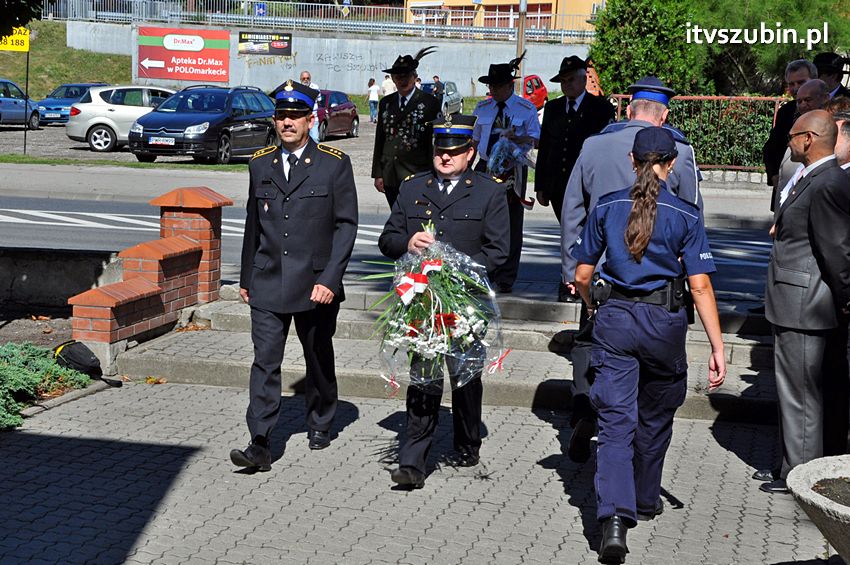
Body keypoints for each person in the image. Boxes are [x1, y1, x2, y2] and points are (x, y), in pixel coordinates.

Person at [571, 127, 726, 562]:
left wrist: (592, 307)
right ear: (671, 165)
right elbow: (700, 287)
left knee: (616, 423)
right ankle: (643, 497)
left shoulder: (606, 206)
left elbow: (582, 275)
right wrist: (717, 347)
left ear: (632, 162)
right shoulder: (686, 214)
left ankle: (614, 521)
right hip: (664, 324)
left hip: (616, 319)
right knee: (656, 415)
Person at [559, 77, 702, 465]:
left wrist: (572, 270)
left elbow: (573, 210)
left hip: (599, 270)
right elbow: (690, 212)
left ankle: (587, 409)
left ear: (627, 109)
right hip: (654, 283)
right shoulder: (680, 151)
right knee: (645, 365)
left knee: (591, 343)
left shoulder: (594, 145)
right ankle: (632, 439)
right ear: (664, 116)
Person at [231, 80, 359, 471]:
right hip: (268, 280)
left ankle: (321, 418)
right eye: (282, 116)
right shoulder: (259, 163)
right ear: (275, 120)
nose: (288, 123)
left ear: (309, 119)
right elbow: (254, 225)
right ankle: (260, 440)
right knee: (264, 361)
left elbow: (346, 226)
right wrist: (246, 278)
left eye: (295, 117)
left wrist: (331, 280)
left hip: (315, 284)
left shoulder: (333, 163)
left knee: (317, 357)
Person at [378, 115, 510, 489]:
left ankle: (468, 439)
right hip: (423, 304)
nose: (445, 158)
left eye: (454, 152)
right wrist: (407, 243)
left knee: (465, 378)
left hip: (465, 303)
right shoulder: (411, 188)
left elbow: (499, 252)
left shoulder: (490, 191)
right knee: (424, 379)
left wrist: (458, 272)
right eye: (440, 151)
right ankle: (413, 461)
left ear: (470, 152)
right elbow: (387, 240)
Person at [758, 110, 844, 493]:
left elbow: (836, 251)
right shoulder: (812, 177)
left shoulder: (827, 182)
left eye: (792, 135)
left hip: (805, 303)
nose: (788, 142)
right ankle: (788, 465)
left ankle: (801, 476)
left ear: (808, 139)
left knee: (802, 396)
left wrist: (845, 299)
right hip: (796, 300)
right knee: (794, 391)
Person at [535, 55, 613, 300]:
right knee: (568, 232)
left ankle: (588, 280)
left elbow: (606, 148)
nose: (566, 85)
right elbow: (545, 146)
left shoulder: (600, 108)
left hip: (589, 184)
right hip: (560, 184)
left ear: (583, 80)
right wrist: (541, 186)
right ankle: (568, 281)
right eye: (563, 81)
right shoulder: (554, 108)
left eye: (570, 80)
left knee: (590, 233)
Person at [472, 52, 541, 294]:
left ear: (510, 85)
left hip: (513, 168)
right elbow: (475, 140)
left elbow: (537, 140)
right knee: (479, 220)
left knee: (511, 223)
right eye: (491, 85)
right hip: (485, 166)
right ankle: (483, 271)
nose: (494, 90)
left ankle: (506, 277)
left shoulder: (525, 108)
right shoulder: (483, 108)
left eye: (498, 86)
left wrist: (517, 138)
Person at [371, 47, 441, 208]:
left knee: (416, 219)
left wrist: (436, 173)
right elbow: (380, 139)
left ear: (415, 77)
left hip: (417, 173)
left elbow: (436, 140)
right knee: (397, 219)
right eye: (398, 77)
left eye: (406, 76)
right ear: (393, 79)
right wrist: (378, 173)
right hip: (391, 174)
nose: (402, 80)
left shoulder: (429, 102)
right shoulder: (386, 103)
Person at [763, 59, 818, 210]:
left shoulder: (826, 111)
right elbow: (771, 146)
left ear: (814, 80)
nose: (796, 88)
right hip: (784, 192)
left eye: (801, 82)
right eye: (791, 84)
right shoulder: (785, 111)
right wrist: (773, 174)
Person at [773, 79, 831, 209]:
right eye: (799, 101)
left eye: (808, 100)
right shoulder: (797, 123)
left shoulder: (828, 130)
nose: (803, 105)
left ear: (825, 98)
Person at [300, 70, 321, 143]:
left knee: (315, 138)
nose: (306, 80)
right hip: (302, 118)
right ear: (300, 79)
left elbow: (319, 100)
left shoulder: (315, 87)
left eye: (307, 78)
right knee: (302, 140)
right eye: (304, 78)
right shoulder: (298, 88)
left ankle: (316, 154)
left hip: (313, 118)